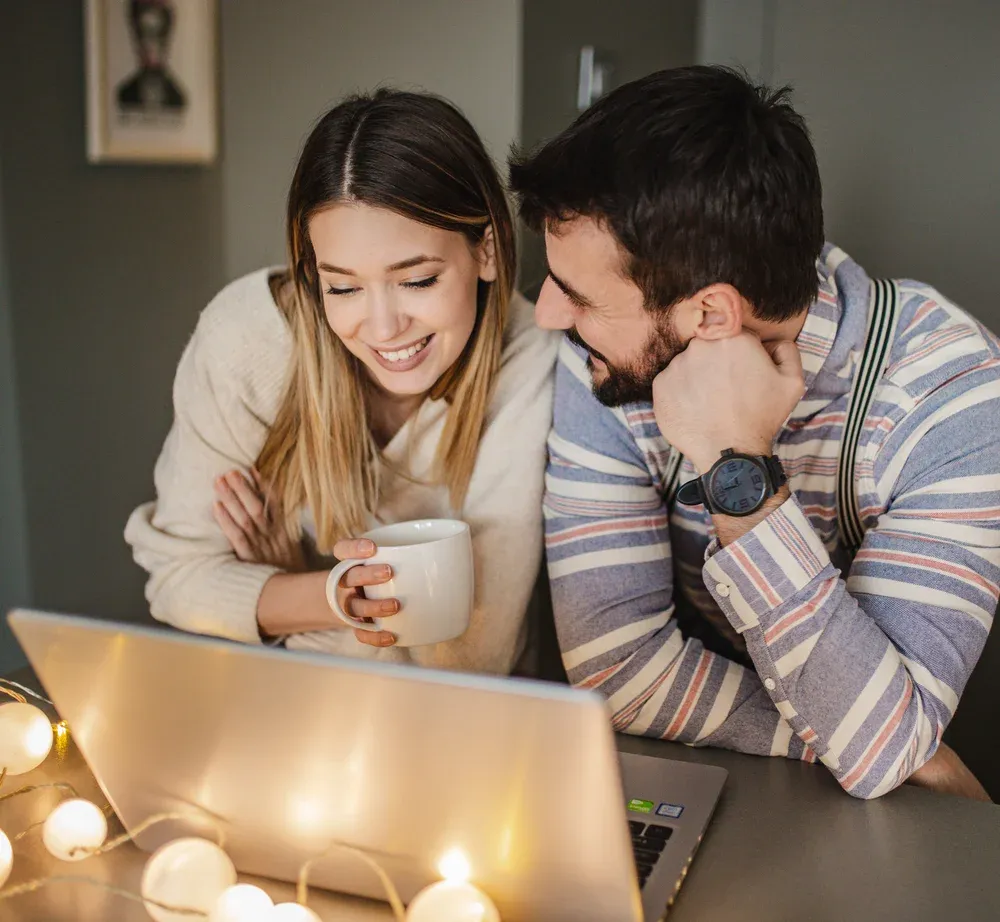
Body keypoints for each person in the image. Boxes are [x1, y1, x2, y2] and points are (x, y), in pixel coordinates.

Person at [509, 65, 999, 799]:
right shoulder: (599, 362)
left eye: (577, 296)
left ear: (708, 315)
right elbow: (618, 670)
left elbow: (884, 743)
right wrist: (854, 737)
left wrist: (735, 467)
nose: (546, 314)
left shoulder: (955, 396)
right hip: (721, 783)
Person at [126, 89, 557, 675]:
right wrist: (335, 595)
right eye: (344, 287)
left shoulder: (530, 359)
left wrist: (291, 590)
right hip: (295, 720)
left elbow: (464, 663)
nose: (382, 327)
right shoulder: (247, 342)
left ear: (486, 250)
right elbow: (177, 583)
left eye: (418, 280)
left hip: (473, 740)